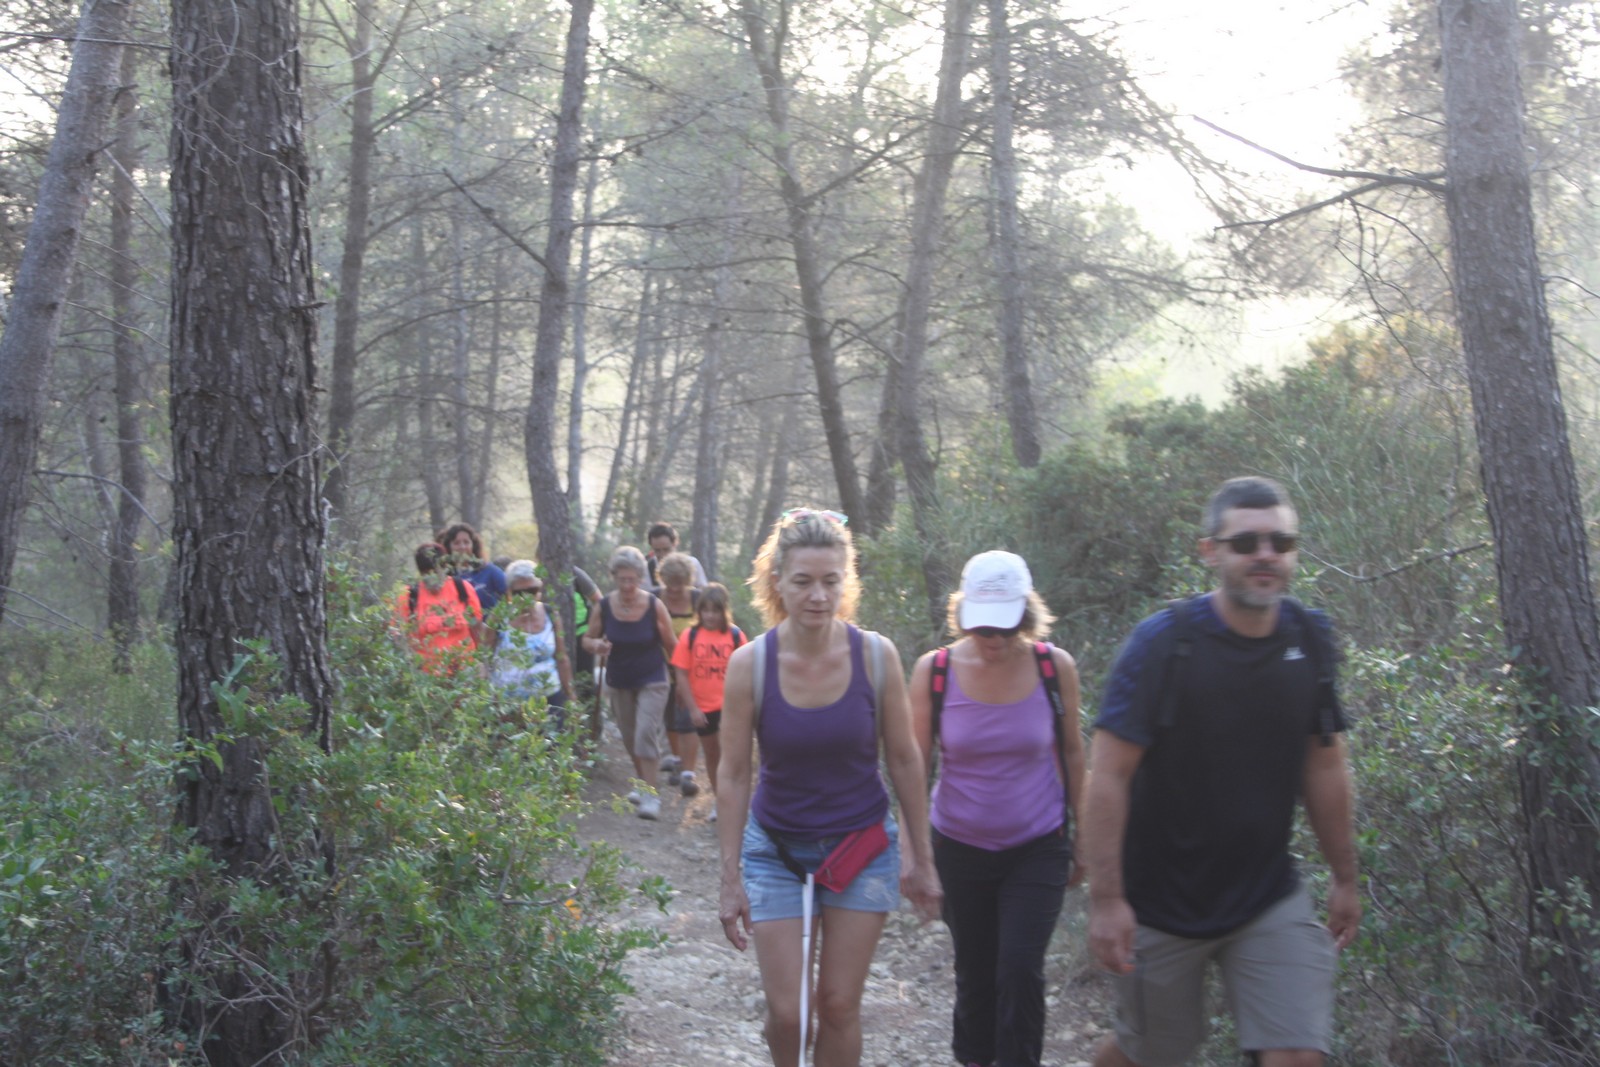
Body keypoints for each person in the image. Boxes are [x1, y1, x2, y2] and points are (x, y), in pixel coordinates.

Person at [1081, 476, 1361, 1067]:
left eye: (1281, 543)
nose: (1266, 554)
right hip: (1160, 904)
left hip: (1267, 896)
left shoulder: (1310, 637)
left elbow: (1324, 762)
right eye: (1247, 542)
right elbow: (1107, 775)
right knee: (1151, 1054)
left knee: (1296, 1055)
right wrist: (1106, 899)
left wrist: (1345, 876)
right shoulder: (1163, 644)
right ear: (1210, 551)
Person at [717, 507, 942, 1067]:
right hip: (776, 852)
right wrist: (728, 877)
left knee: (839, 1005)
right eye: (803, 581)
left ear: (847, 581)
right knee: (789, 1013)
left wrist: (922, 858)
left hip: (860, 848)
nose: (818, 596)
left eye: (830, 581)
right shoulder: (750, 665)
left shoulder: (876, 656)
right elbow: (734, 772)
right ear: (777, 582)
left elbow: (905, 759)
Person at [909, 550, 1085, 1067]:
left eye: (1005, 626)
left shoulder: (1054, 668)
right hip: (958, 846)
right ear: (963, 615)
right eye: (983, 625)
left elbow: (1074, 753)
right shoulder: (935, 672)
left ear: (1026, 614)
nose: (994, 637)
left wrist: (1087, 842)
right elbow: (913, 767)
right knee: (977, 972)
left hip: (1038, 845)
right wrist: (916, 855)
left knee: (1020, 969)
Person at [583, 545, 677, 821]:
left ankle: (651, 796)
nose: (627, 585)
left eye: (632, 580)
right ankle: (641, 781)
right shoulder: (604, 606)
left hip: (653, 678)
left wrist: (683, 679)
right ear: (613, 577)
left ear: (640, 578)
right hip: (619, 679)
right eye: (622, 579)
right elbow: (587, 639)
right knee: (629, 735)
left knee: (645, 732)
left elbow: (672, 644)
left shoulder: (653, 605)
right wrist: (596, 645)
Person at [669, 582, 745, 817]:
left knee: (731, 755)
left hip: (730, 707)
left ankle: (735, 802)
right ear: (699, 610)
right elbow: (681, 673)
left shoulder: (735, 635)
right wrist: (693, 708)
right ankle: (719, 800)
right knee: (712, 754)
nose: (710, 616)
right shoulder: (690, 636)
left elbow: (746, 670)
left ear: (724, 611)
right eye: (706, 610)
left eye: (715, 610)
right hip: (703, 709)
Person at [489, 560, 574, 731]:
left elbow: (562, 657)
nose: (527, 597)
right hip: (509, 704)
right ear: (510, 592)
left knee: (553, 744)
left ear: (540, 589)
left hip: (549, 699)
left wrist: (571, 696)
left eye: (532, 591)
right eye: (520, 593)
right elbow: (484, 656)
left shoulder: (551, 614)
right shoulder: (498, 617)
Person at [392, 541, 484, 675]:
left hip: (464, 672)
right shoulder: (408, 596)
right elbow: (398, 638)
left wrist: (481, 662)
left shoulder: (463, 588)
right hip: (427, 676)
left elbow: (477, 629)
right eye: (426, 573)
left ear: (445, 567)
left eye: (436, 572)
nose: (432, 578)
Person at [658, 552, 704, 796]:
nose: (674, 589)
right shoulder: (655, 598)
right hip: (661, 668)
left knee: (688, 719)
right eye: (670, 584)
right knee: (670, 719)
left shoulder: (698, 599)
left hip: (692, 669)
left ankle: (688, 772)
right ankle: (677, 758)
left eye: (679, 584)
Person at [437, 522, 508, 614]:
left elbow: (510, 595)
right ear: (448, 547)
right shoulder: (444, 577)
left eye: (466, 542)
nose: (462, 547)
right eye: (456, 543)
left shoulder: (489, 570)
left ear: (473, 545)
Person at [645, 520, 708, 590]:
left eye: (666, 549)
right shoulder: (647, 569)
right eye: (657, 550)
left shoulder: (692, 564)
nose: (662, 555)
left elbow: (703, 592)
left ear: (675, 543)